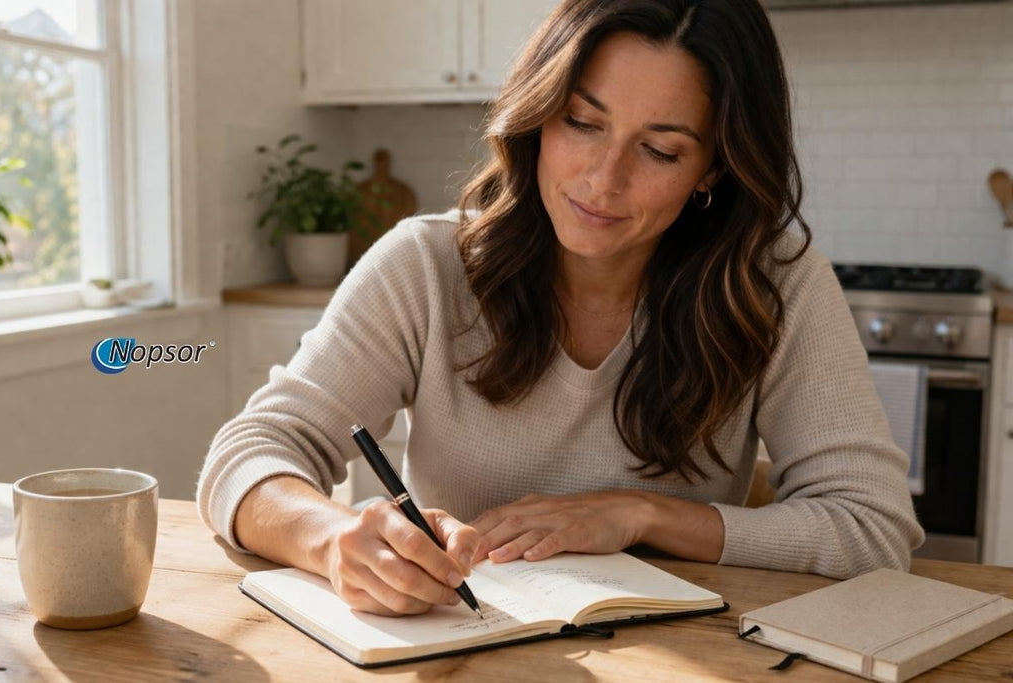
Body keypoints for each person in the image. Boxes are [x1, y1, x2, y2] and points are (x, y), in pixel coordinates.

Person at [197, 0, 924, 618]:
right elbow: (250, 452)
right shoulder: (424, 265)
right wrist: (330, 537)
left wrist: (638, 513)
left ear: (714, 167)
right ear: (539, 113)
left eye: (661, 151)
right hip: (460, 645)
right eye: (582, 122)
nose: (603, 180)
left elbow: (872, 528)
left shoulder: (775, 284)